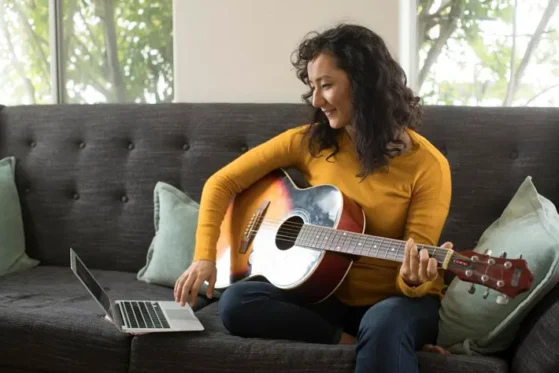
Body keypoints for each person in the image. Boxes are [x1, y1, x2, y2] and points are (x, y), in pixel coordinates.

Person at [174, 23, 453, 373]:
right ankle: (349, 340)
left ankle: (381, 337)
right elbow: (222, 182)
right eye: (313, 88)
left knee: (384, 323)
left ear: (365, 83)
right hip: (326, 295)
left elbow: (416, 262)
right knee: (236, 302)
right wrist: (204, 258)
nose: (317, 101)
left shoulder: (428, 165)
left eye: (327, 85)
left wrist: (413, 279)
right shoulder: (310, 142)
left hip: (396, 300)